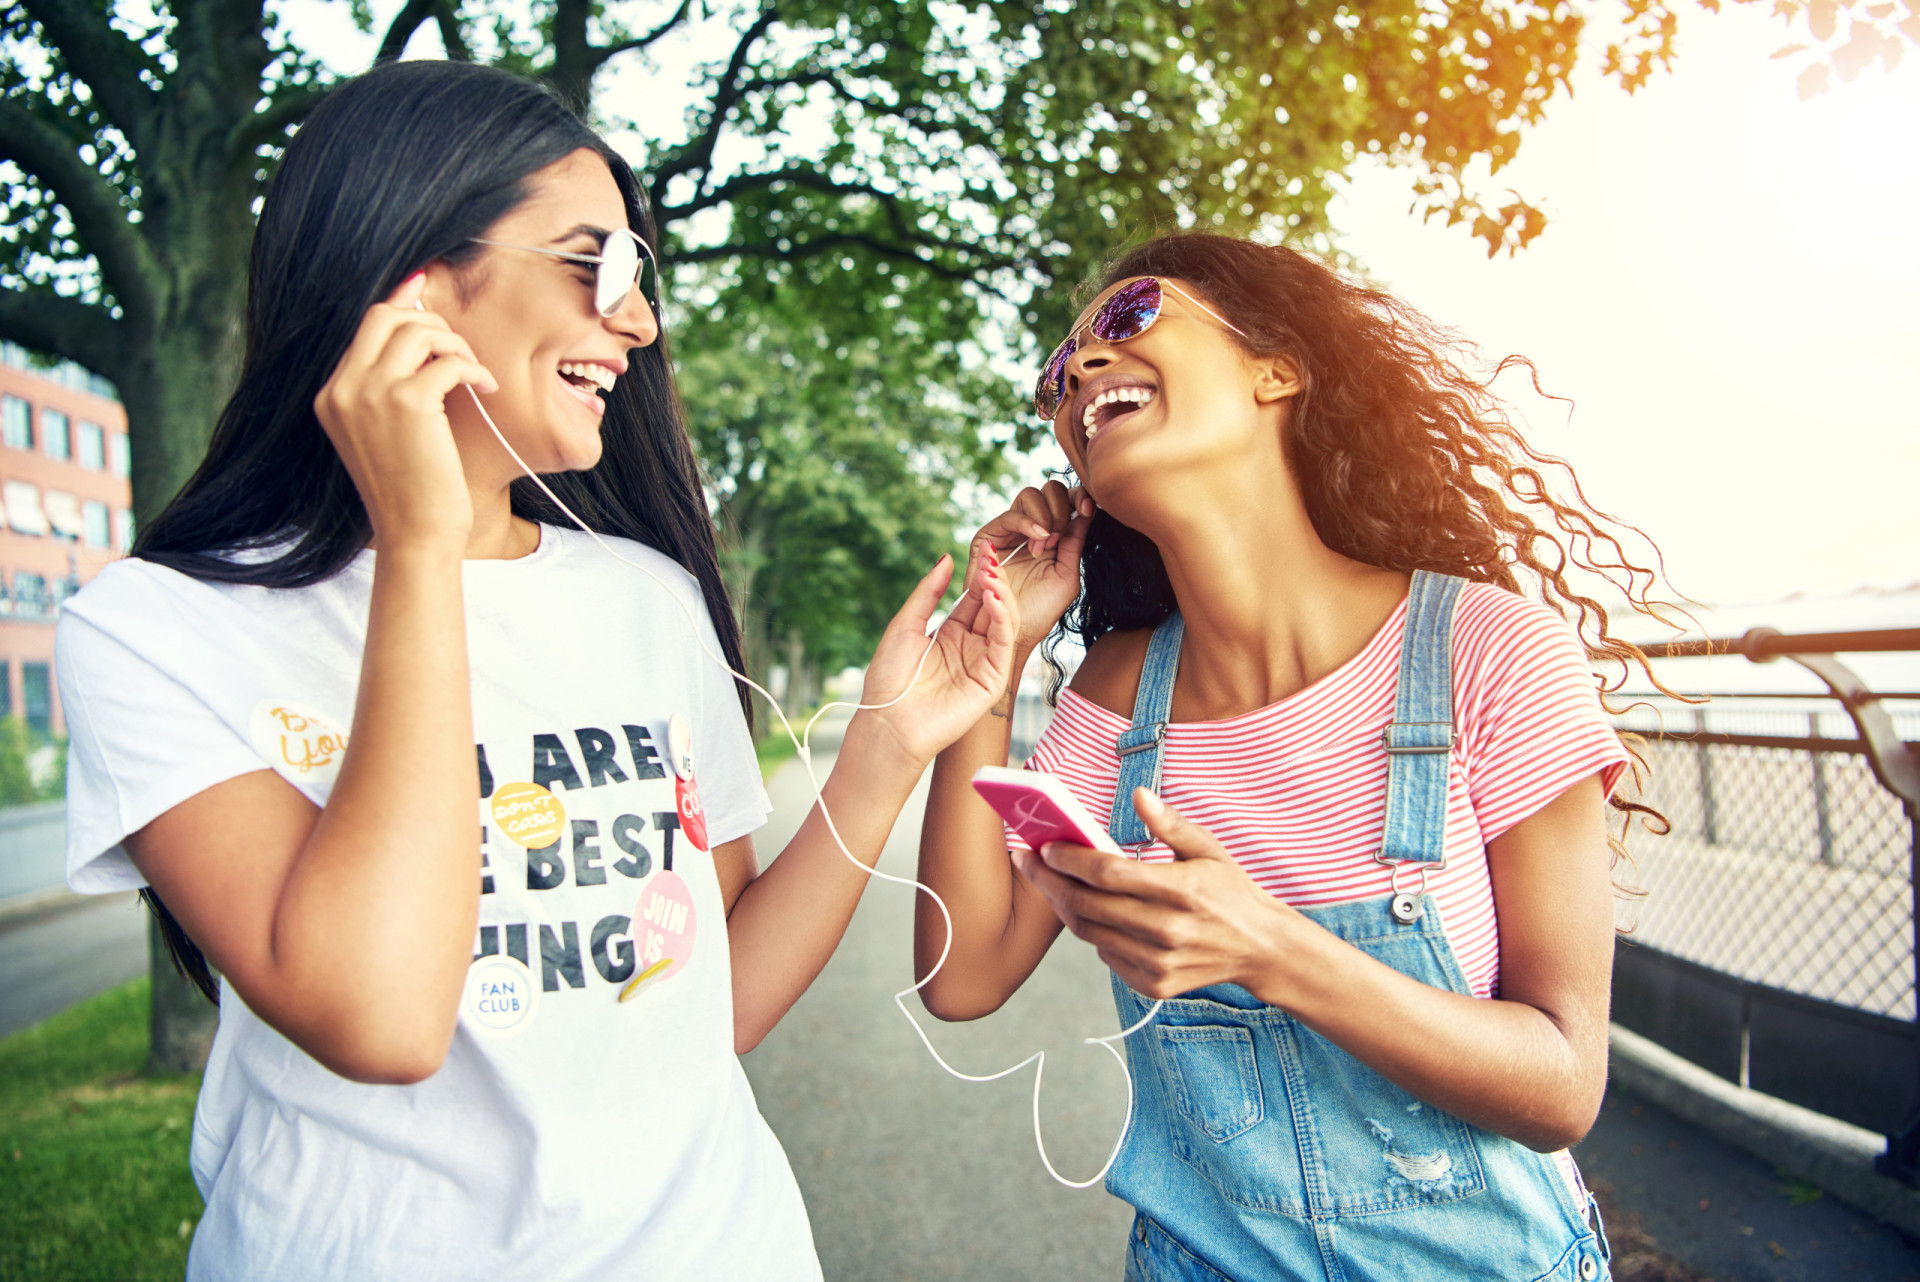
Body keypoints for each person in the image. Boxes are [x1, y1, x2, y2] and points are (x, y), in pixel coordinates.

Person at [57, 60, 1012, 1281]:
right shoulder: (156, 629)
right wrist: (418, 546)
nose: (640, 323)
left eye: (641, 278)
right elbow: (385, 1016)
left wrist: (885, 743)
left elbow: (703, 1010)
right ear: (411, 286)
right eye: (595, 264)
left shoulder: (648, 600)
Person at [917, 234, 1670, 1280]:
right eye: (1058, 369)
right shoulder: (1117, 696)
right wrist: (992, 666)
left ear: (1280, 366)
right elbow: (960, 975)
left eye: (1127, 317)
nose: (1080, 366)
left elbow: (1561, 1082)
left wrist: (1270, 949)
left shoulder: (1489, 651)